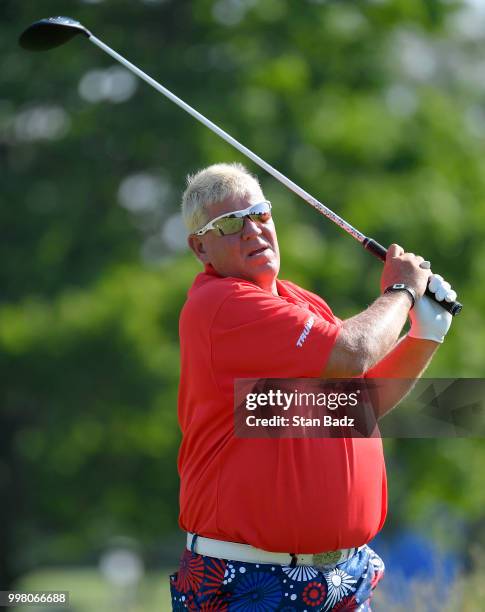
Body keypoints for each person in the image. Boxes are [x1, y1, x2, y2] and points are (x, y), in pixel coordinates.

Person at [169, 162, 457, 611]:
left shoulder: (302, 303)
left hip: (343, 579)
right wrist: (401, 290)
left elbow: (359, 405)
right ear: (200, 247)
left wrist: (424, 337)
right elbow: (353, 352)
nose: (252, 231)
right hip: (252, 579)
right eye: (229, 224)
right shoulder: (219, 305)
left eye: (260, 214)